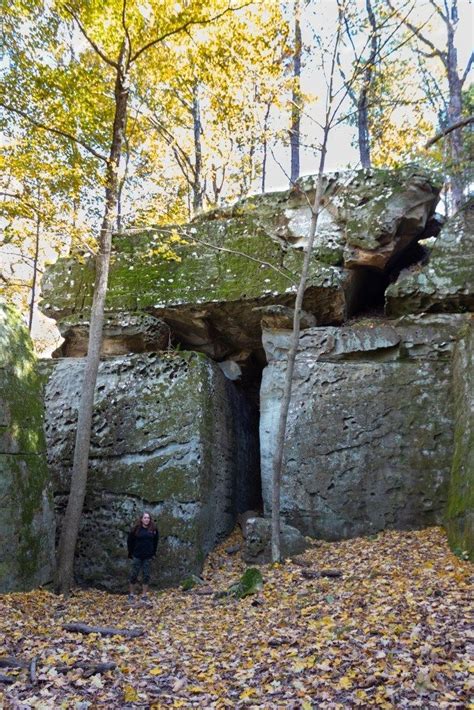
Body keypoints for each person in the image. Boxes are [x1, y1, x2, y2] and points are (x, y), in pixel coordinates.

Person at [127, 511, 158, 603]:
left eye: (148, 518)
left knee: (146, 575)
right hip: (137, 555)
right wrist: (131, 553)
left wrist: (153, 553)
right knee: (133, 575)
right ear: (141, 519)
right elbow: (130, 542)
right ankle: (131, 595)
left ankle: (144, 596)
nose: (146, 519)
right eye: (145, 518)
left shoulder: (153, 530)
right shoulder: (135, 530)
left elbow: (155, 542)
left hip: (147, 556)